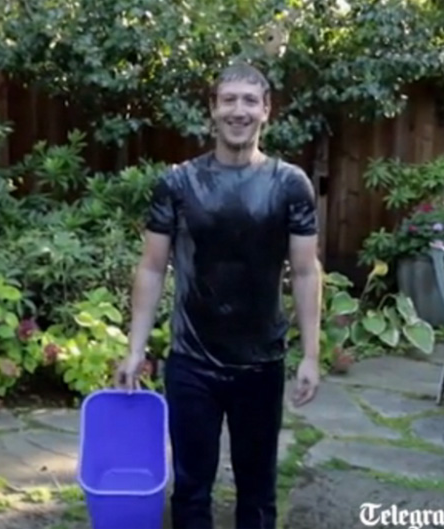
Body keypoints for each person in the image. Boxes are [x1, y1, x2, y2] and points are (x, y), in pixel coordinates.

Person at [114, 61, 322, 529]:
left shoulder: (290, 185)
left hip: (261, 363)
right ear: (212, 109)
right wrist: (135, 349)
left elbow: (307, 272)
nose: (239, 110)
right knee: (190, 490)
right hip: (192, 362)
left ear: (267, 110)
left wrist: (311, 354)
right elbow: (151, 267)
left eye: (250, 100)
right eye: (228, 99)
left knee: (258, 491)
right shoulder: (178, 183)